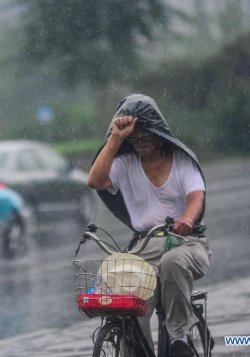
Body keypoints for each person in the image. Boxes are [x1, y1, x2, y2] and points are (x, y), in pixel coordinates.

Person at [88, 94, 211, 357]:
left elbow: (195, 197)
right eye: (135, 139)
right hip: (144, 248)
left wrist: (187, 220)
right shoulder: (125, 163)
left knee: (172, 262)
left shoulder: (182, 161)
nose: (139, 144)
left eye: (145, 137)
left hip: (186, 244)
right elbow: (96, 181)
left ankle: (179, 337)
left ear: (158, 133)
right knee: (126, 294)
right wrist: (116, 137)